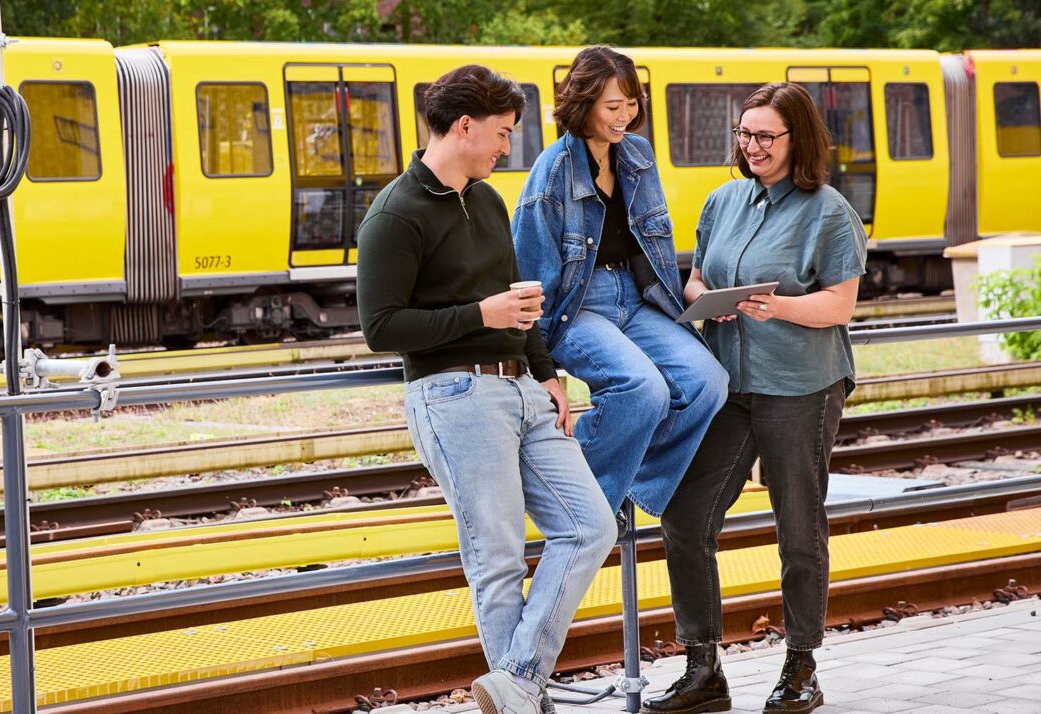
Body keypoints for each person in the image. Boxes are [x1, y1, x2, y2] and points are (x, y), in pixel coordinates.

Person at [358, 64, 616, 714]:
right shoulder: (395, 214)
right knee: (498, 561)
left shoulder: (491, 200)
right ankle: (528, 698)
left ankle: (516, 686)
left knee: (590, 527)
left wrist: (547, 372)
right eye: (501, 134)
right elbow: (381, 328)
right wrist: (481, 316)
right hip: (455, 399)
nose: (507, 148)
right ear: (465, 126)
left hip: (524, 390)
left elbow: (515, 296)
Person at [644, 82, 867, 714]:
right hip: (730, 386)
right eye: (745, 134)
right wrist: (699, 300)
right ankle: (703, 670)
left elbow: (841, 303)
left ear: (799, 139)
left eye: (766, 135)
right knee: (686, 518)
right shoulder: (722, 201)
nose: (753, 146)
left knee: (798, 528)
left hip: (801, 386)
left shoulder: (828, 210)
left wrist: (779, 308)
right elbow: (697, 274)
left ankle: (801, 667)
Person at [512, 46, 729, 521]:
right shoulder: (552, 171)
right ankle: (577, 502)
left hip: (638, 298)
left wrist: (688, 298)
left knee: (708, 382)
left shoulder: (638, 154)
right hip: (577, 306)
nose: (625, 116)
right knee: (642, 389)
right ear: (583, 103)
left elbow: (653, 246)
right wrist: (541, 362)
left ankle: (629, 485)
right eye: (613, 106)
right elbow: (529, 269)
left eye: (631, 104)